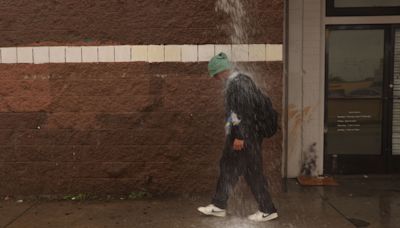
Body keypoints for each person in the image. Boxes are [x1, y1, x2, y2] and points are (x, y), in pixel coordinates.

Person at [197, 52, 278, 222]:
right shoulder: (239, 81)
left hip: (245, 137)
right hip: (247, 135)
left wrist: (240, 136)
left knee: (249, 172)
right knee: (233, 168)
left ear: (222, 71)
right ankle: (220, 205)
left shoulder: (238, 84)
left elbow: (244, 112)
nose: (215, 79)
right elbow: (238, 113)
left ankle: (267, 209)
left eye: (216, 75)